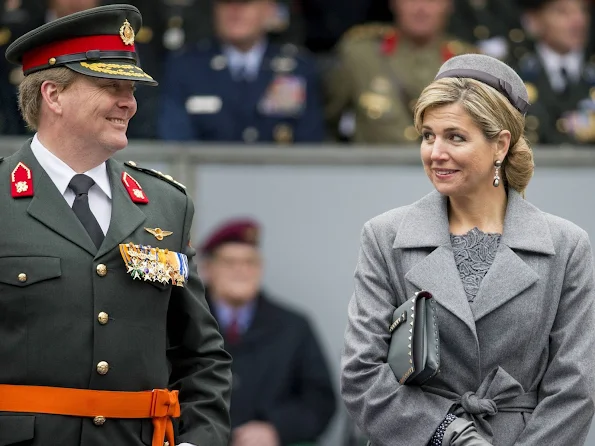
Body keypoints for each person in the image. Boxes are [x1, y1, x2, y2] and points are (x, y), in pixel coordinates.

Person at [1, 4, 232, 446]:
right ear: (53, 94)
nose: (128, 102)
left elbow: (202, 356)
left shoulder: (166, 204)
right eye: (111, 86)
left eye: (131, 88)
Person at [341, 53, 595, 445]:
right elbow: (361, 373)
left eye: (455, 136)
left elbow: (576, 387)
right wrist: (449, 434)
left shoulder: (566, 246)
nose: (435, 152)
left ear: (500, 145)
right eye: (428, 135)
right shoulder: (384, 236)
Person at [199, 218, 337, 446]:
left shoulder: (294, 326)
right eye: (230, 262)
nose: (241, 270)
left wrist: (276, 428)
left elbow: (320, 400)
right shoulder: (183, 321)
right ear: (208, 269)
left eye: (250, 262)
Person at [157, 0, 326, 144]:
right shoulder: (186, 66)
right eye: (227, 3)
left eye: (246, 3)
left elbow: (310, 142)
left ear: (268, 9)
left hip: (281, 177)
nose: (235, 11)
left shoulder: (297, 68)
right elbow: (174, 139)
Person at [324, 0, 477, 144]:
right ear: (394, 3)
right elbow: (327, 124)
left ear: (449, 5)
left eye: (432, 0)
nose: (421, 9)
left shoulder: (471, 63)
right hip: (375, 169)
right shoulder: (360, 55)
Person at [509, 0, 595, 145]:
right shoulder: (515, 73)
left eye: (583, 11)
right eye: (563, 12)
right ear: (534, 21)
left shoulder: (590, 69)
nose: (579, 21)